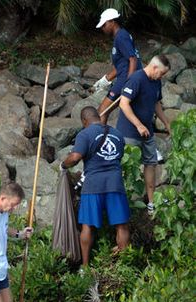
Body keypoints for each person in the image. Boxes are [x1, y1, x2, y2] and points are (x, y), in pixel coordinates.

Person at [60, 106, 130, 267]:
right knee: (122, 225)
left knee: (88, 226)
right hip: (115, 184)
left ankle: (85, 266)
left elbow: (75, 157)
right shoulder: (117, 134)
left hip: (93, 185)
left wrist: (64, 165)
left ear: (84, 121)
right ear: (98, 117)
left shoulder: (85, 134)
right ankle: (125, 264)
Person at [116, 54, 171, 214]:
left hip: (148, 132)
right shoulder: (136, 79)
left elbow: (156, 103)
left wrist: (166, 123)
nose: (162, 76)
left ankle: (151, 202)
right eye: (161, 73)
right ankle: (123, 203)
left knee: (151, 163)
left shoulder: (156, 81)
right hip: (129, 132)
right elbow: (123, 104)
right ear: (154, 67)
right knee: (126, 166)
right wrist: (138, 125)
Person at [94, 8, 142, 124]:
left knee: (102, 111)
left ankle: (100, 139)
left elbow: (133, 59)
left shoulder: (121, 37)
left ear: (112, 22)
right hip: (123, 76)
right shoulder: (120, 36)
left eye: (104, 25)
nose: (103, 28)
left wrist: (128, 83)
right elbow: (122, 64)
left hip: (125, 80)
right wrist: (105, 80)